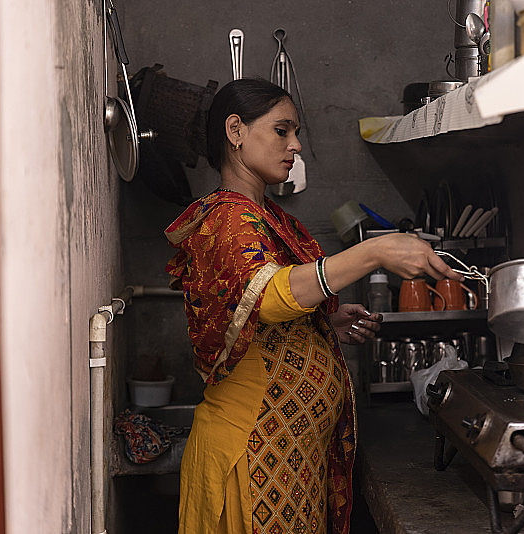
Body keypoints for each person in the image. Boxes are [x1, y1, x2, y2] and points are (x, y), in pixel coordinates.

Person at [165, 78, 462, 534]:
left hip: (286, 457)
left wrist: (320, 323)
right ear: (235, 130)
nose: (296, 145)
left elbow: (266, 308)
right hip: (250, 453)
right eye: (282, 131)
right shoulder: (226, 218)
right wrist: (374, 253)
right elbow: (265, 294)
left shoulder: (267, 217)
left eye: (295, 132)